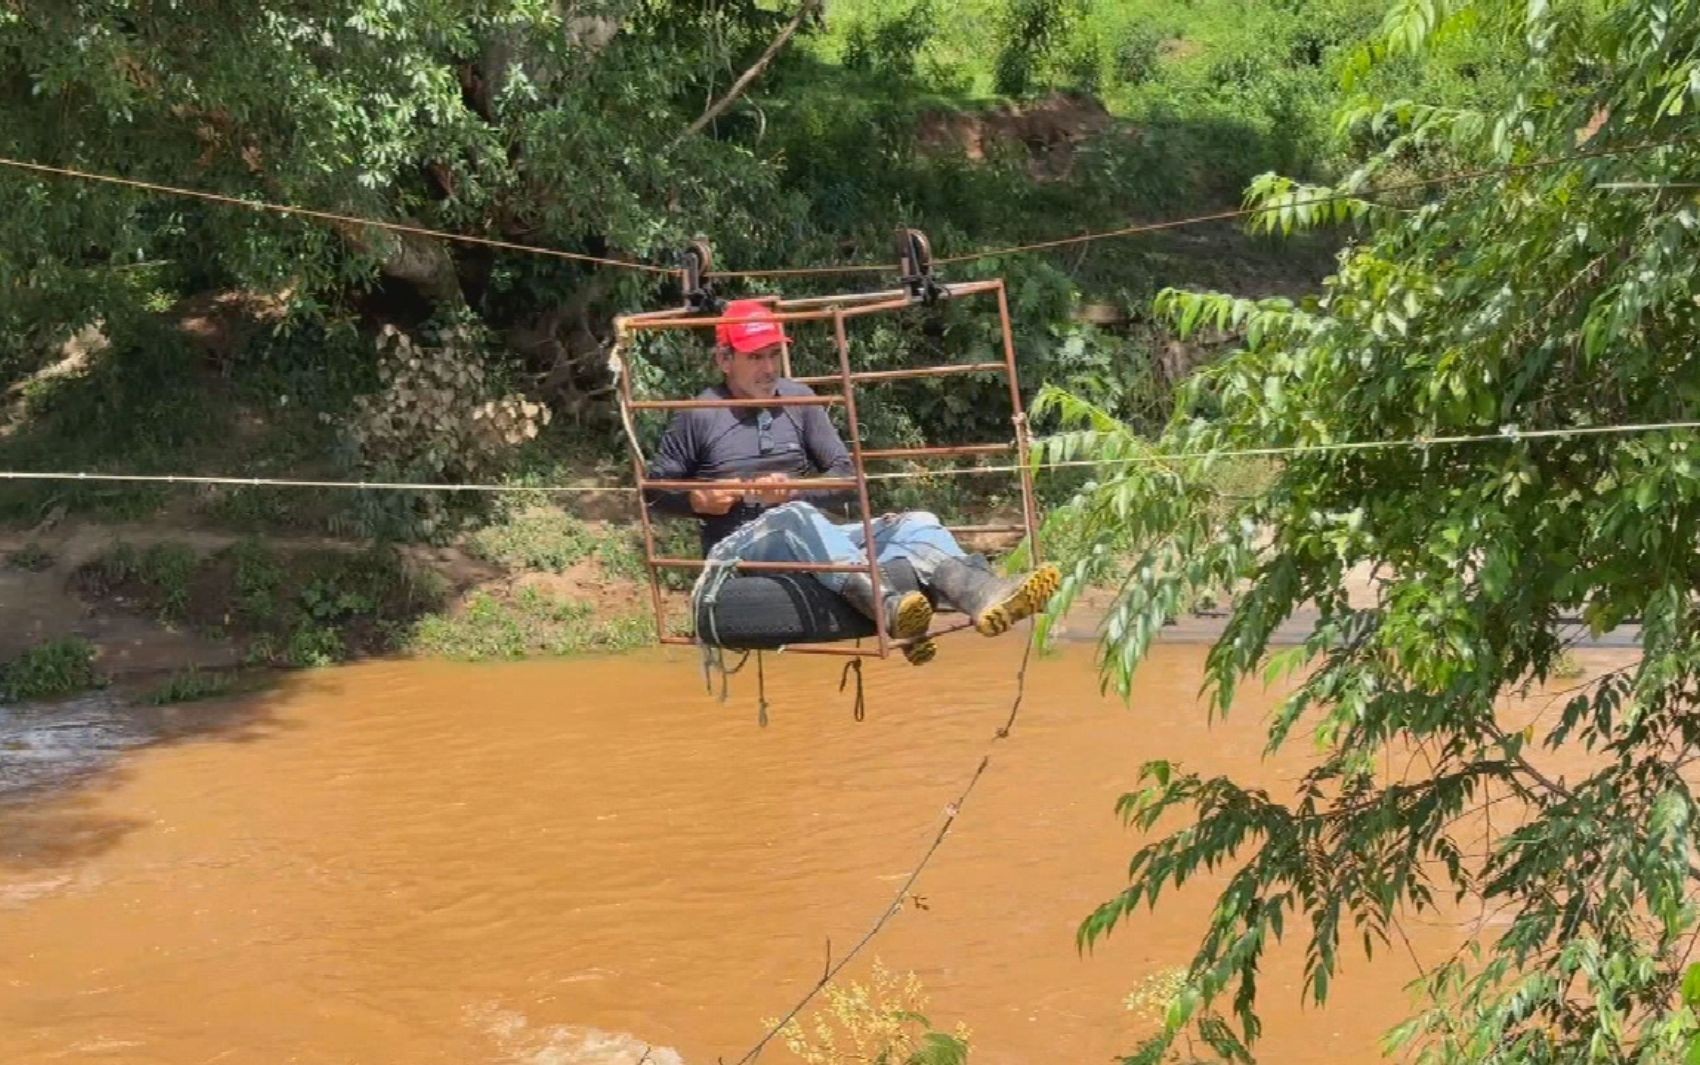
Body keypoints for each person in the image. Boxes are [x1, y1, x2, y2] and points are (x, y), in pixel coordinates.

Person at [642, 299, 1060, 665]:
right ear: (724, 359)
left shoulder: (800, 400)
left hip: (811, 536)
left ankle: (982, 593)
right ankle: (888, 610)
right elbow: (655, 493)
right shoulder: (698, 412)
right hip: (739, 550)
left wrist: (795, 486)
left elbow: (847, 477)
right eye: (755, 358)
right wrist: (698, 499)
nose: (768, 369)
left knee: (916, 521)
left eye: (774, 356)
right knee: (795, 516)